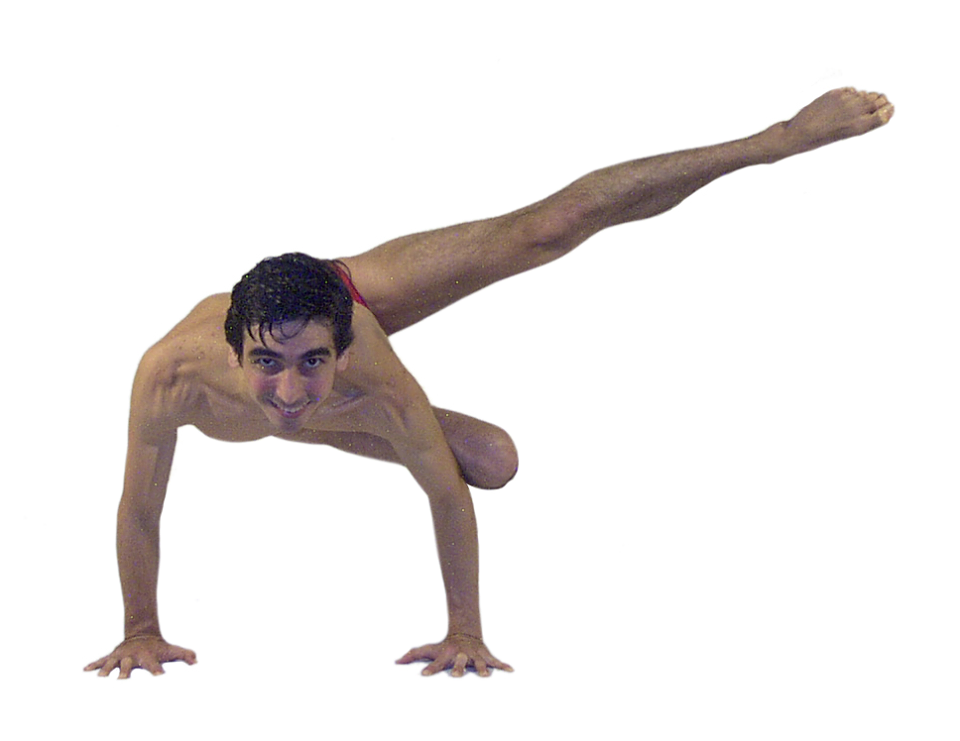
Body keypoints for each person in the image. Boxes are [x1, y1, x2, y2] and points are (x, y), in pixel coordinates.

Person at [85, 87, 894, 680]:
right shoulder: (168, 377)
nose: (292, 389)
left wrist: (464, 629)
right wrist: (140, 627)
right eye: (267, 364)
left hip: (344, 300)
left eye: (314, 364)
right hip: (294, 340)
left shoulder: (367, 358)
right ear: (234, 355)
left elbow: (445, 491)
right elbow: (141, 508)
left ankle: (776, 139)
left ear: (344, 349)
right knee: (476, 452)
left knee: (543, 243)